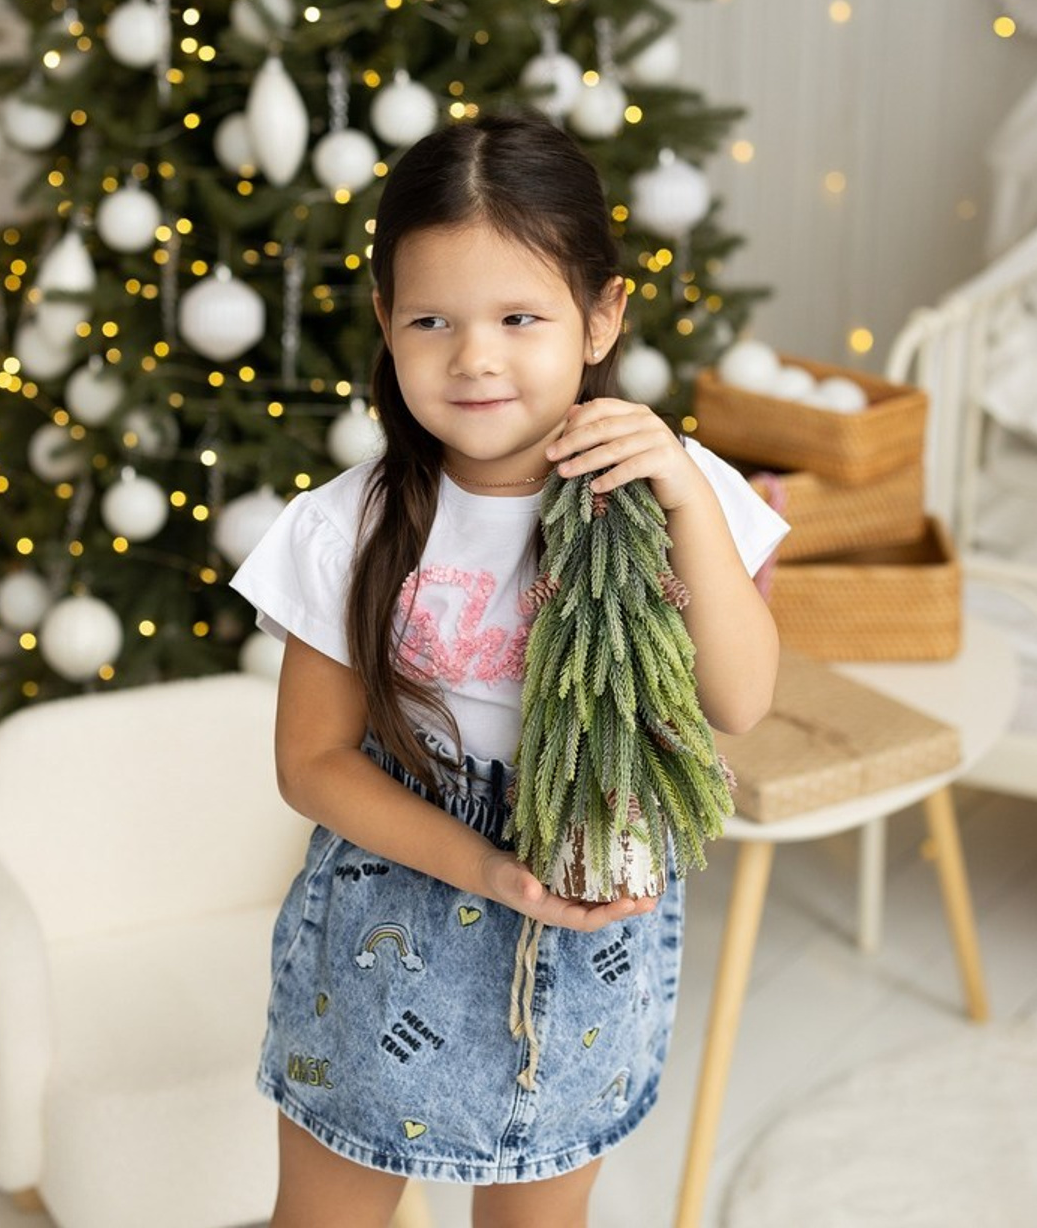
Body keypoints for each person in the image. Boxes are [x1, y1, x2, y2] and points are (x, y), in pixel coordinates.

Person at [231, 114, 788, 1228]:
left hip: (587, 933)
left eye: (517, 317)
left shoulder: (681, 493)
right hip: (393, 902)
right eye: (431, 318)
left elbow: (739, 699)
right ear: (384, 321)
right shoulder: (347, 527)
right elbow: (311, 762)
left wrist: (680, 491)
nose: (473, 356)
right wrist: (484, 867)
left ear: (600, 317)